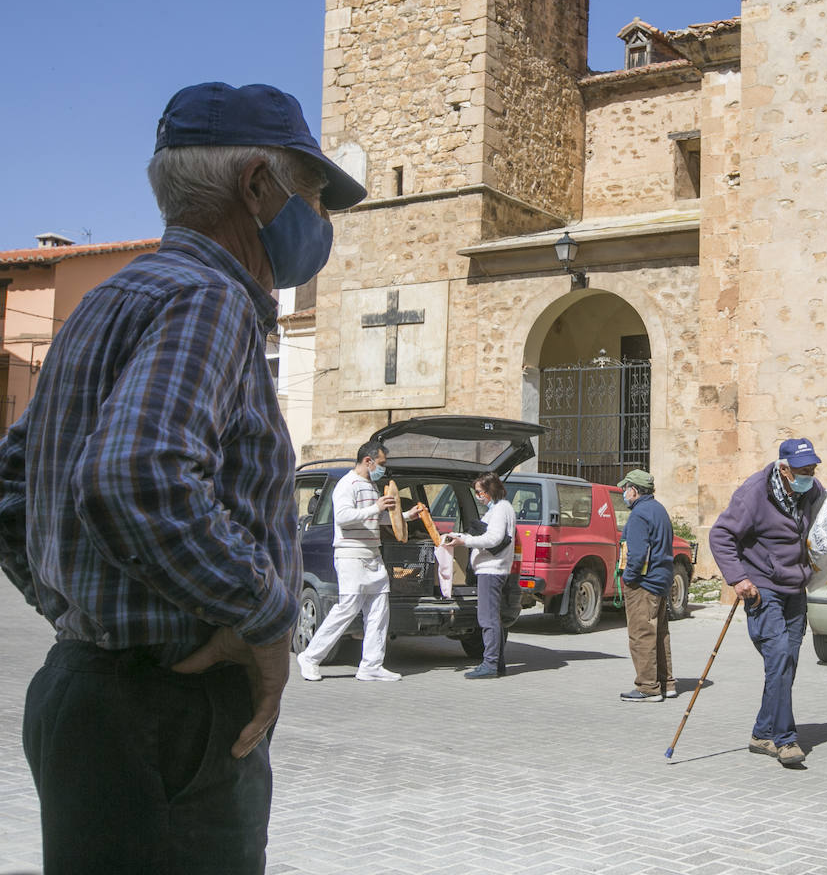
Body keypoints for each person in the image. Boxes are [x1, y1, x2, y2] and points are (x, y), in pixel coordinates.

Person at [0, 82, 365, 874]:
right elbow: (137, 475)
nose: (320, 221)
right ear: (257, 187)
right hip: (170, 710)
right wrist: (263, 614)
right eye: (311, 194)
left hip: (87, 694)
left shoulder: (106, 301)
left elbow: (11, 486)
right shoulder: (213, 300)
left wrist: (83, 613)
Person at [709, 438, 824, 768]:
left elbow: (822, 527)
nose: (810, 476)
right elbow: (721, 535)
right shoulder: (754, 493)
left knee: (786, 664)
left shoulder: (811, 490)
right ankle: (785, 740)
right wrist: (738, 578)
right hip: (762, 587)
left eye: (813, 469)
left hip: (795, 587)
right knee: (779, 658)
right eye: (803, 471)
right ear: (784, 468)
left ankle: (761, 733)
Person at [297, 441, 423, 683]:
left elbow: (377, 517)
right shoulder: (347, 484)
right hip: (351, 554)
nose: (383, 469)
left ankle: (371, 665)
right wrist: (375, 508)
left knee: (379, 611)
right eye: (381, 463)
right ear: (369, 460)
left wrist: (406, 516)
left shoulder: (371, 485)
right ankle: (310, 657)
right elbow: (343, 517)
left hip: (372, 554)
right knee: (347, 608)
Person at [442, 472, 516, 679]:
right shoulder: (499, 509)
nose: (478, 496)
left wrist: (464, 542)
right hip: (493, 569)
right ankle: (497, 663)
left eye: (480, 492)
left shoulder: (501, 509)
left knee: (487, 618)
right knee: (494, 617)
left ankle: (490, 664)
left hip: (492, 570)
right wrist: (461, 537)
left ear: (491, 490)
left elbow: (493, 538)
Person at [616, 469, 677, 702]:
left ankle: (647, 687)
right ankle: (666, 683)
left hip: (644, 582)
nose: (624, 493)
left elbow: (638, 553)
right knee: (660, 633)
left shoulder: (640, 514)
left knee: (641, 634)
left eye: (625, 489)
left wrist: (629, 578)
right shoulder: (658, 509)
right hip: (660, 580)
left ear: (633, 490)